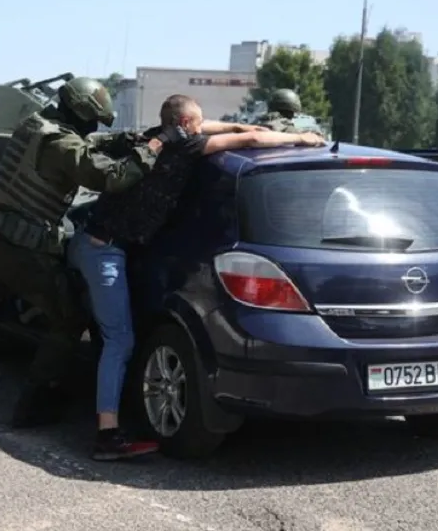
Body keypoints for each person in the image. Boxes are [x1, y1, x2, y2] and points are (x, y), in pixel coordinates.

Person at [69, 94, 326, 460]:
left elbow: (239, 132)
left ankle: (61, 384)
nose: (202, 127)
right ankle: (107, 436)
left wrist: (249, 127)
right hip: (104, 251)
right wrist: (303, 140)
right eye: (198, 123)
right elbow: (249, 142)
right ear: (187, 126)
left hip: (93, 240)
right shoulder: (183, 149)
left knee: (84, 324)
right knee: (120, 340)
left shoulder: (157, 135)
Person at [0, 76, 161, 431]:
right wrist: (148, 150)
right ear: (79, 113)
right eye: (91, 120)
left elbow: (79, 144)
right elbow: (111, 177)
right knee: (69, 319)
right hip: (22, 254)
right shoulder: (63, 145)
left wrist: (119, 139)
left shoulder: (33, 124)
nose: (92, 127)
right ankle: (32, 407)